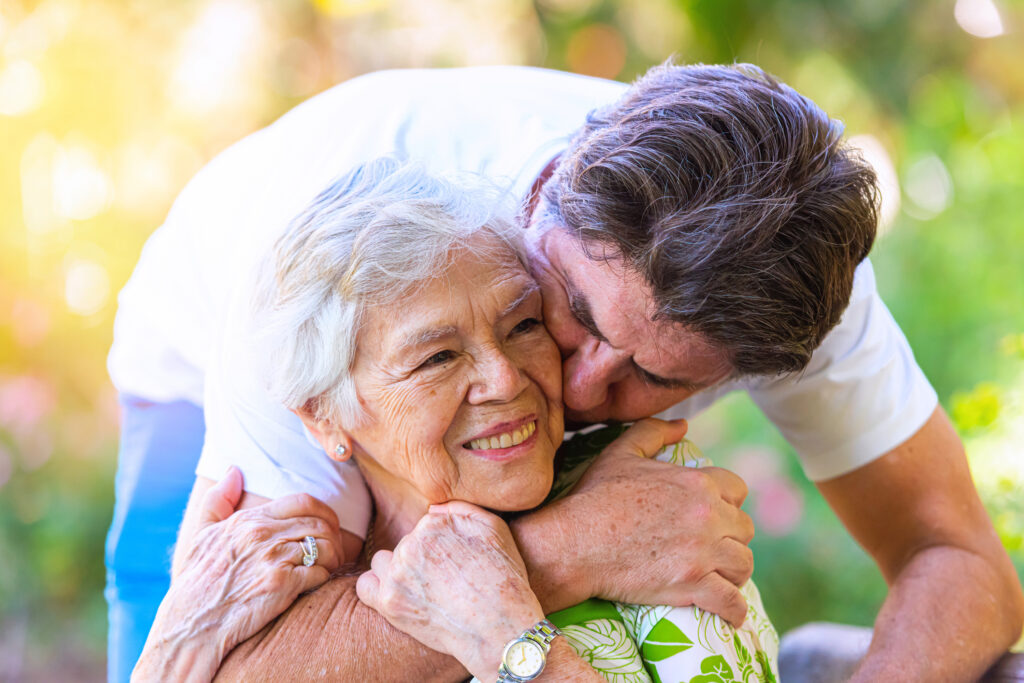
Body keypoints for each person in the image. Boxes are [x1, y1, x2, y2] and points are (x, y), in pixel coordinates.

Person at [106, 62, 1024, 682]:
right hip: (208, 355)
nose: (578, 391)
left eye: (655, 379)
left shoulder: (804, 284)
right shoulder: (324, 292)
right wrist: (564, 550)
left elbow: (957, 558)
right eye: (572, 314)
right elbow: (240, 672)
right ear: (546, 194)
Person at [133, 160, 779, 682]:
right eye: (437, 357)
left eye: (523, 325)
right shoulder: (270, 591)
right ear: (325, 415)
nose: (505, 379)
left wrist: (518, 648)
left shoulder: (651, 497)